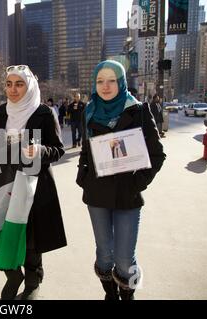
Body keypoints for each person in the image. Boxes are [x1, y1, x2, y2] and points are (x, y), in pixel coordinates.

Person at [76, 60, 166, 300]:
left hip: (128, 194)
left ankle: (128, 294)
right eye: (99, 81)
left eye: (111, 80)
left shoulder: (138, 110)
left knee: (125, 259)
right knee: (104, 255)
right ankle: (110, 294)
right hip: (97, 193)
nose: (105, 86)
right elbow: (86, 150)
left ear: (122, 82)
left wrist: (138, 183)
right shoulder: (90, 110)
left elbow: (158, 155)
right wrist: (82, 176)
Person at [0, 65, 67, 300]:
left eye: (19, 84)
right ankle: (13, 274)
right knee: (3, 231)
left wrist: (41, 150)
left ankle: (33, 280)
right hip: (5, 184)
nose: (13, 89)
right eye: (9, 84)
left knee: (32, 235)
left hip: (35, 184)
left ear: (30, 86)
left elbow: (59, 150)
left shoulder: (44, 113)